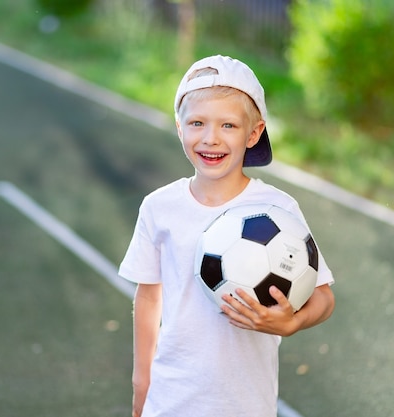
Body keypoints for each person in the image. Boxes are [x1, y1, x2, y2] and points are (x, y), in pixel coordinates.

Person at [118, 55, 335, 417]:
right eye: (197, 123)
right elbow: (148, 297)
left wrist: (293, 321)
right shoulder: (159, 207)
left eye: (228, 126)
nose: (210, 139)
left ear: (254, 133)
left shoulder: (278, 210)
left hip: (246, 404)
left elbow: (323, 297)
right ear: (179, 127)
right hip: (171, 400)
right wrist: (142, 383)